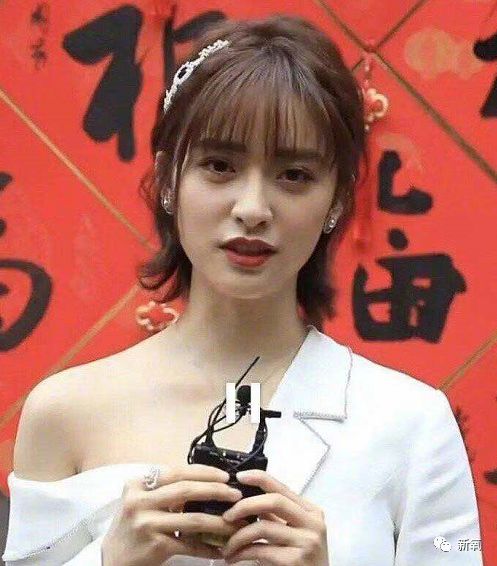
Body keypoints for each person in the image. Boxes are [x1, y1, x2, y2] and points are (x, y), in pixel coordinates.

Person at [2, 14, 483, 566]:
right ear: (167, 179)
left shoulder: (413, 424)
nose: (253, 208)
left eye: (294, 175)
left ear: (337, 199)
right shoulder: (64, 412)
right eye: (219, 166)